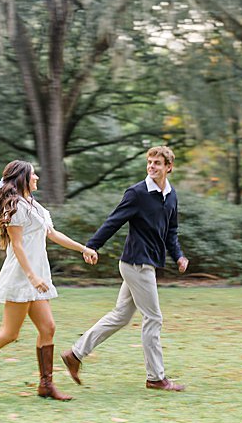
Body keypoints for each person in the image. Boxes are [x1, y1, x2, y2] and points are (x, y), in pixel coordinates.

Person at [0, 160, 98, 402]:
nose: (37, 177)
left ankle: (46, 385)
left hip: (37, 275)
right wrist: (31, 276)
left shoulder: (35, 206)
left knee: (48, 328)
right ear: (23, 178)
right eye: (33, 174)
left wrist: (83, 248)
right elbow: (17, 245)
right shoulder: (15, 207)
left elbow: (52, 234)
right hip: (22, 275)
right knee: (10, 332)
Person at [61, 145, 189, 392]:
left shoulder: (171, 196)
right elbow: (114, 220)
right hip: (136, 264)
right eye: (150, 162)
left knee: (121, 316)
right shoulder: (137, 193)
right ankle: (156, 377)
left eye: (157, 163)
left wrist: (179, 256)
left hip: (146, 263)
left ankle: (75, 354)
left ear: (169, 167)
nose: (152, 166)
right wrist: (91, 246)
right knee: (153, 318)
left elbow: (171, 232)